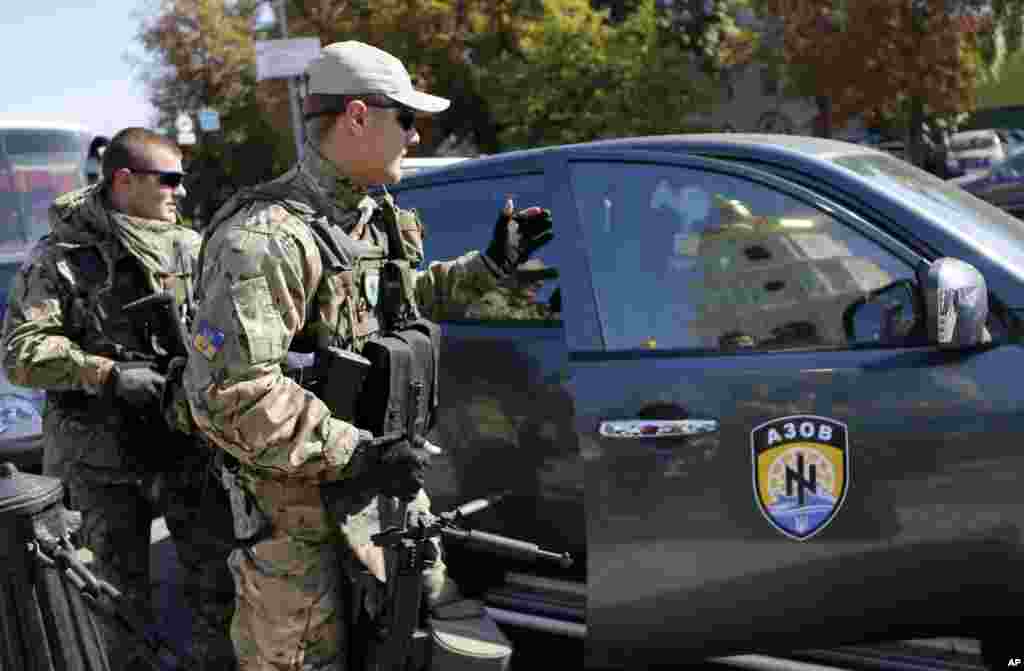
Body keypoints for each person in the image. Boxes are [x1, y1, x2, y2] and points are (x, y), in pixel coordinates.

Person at [181, 40, 553, 671]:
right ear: (357, 116)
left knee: (426, 645)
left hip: (385, 502)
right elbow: (228, 394)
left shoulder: (373, 217)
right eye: (406, 118)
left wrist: (490, 266)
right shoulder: (265, 239)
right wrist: (359, 452)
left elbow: (404, 304)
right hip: (297, 524)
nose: (415, 135)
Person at [1, 127, 237, 670]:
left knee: (218, 586)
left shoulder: (188, 245)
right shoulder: (62, 256)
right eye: (168, 179)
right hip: (100, 461)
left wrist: (208, 357)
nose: (179, 190)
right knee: (110, 603)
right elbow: (20, 353)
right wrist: (106, 374)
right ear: (125, 181)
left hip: (185, 446)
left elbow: (220, 324)